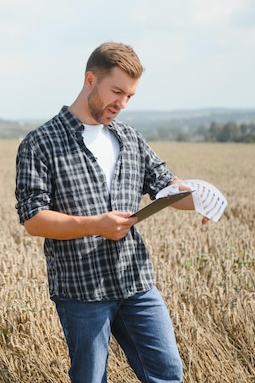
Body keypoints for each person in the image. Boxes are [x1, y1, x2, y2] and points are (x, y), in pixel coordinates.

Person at [15, 41, 212, 383]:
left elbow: (167, 186)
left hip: (136, 282)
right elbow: (34, 219)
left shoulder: (130, 139)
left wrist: (202, 197)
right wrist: (96, 225)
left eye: (130, 96)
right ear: (90, 80)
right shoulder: (40, 143)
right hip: (82, 290)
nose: (121, 104)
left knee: (168, 374)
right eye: (116, 91)